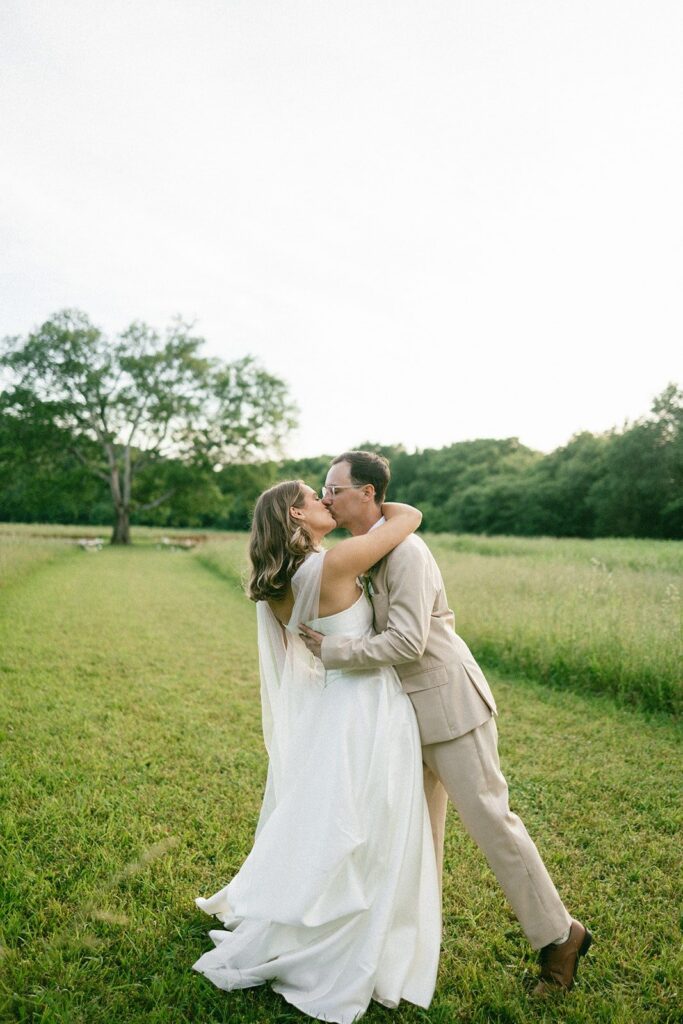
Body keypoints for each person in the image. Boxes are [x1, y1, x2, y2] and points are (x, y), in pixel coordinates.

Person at [299, 451, 592, 996]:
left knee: (492, 823)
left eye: (335, 488)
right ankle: (414, 946)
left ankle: (560, 937)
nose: (327, 497)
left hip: (450, 705)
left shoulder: (407, 551)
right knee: (419, 838)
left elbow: (409, 640)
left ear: (367, 494)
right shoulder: (366, 550)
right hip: (404, 716)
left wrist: (334, 650)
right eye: (324, 489)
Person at [192, 480, 441, 1023]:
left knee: (336, 816)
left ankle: (314, 907)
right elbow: (408, 519)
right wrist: (370, 496)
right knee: (373, 818)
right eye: (315, 496)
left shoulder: (278, 582)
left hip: (329, 708)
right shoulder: (333, 565)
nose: (326, 501)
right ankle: (350, 931)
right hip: (368, 707)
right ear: (295, 515)